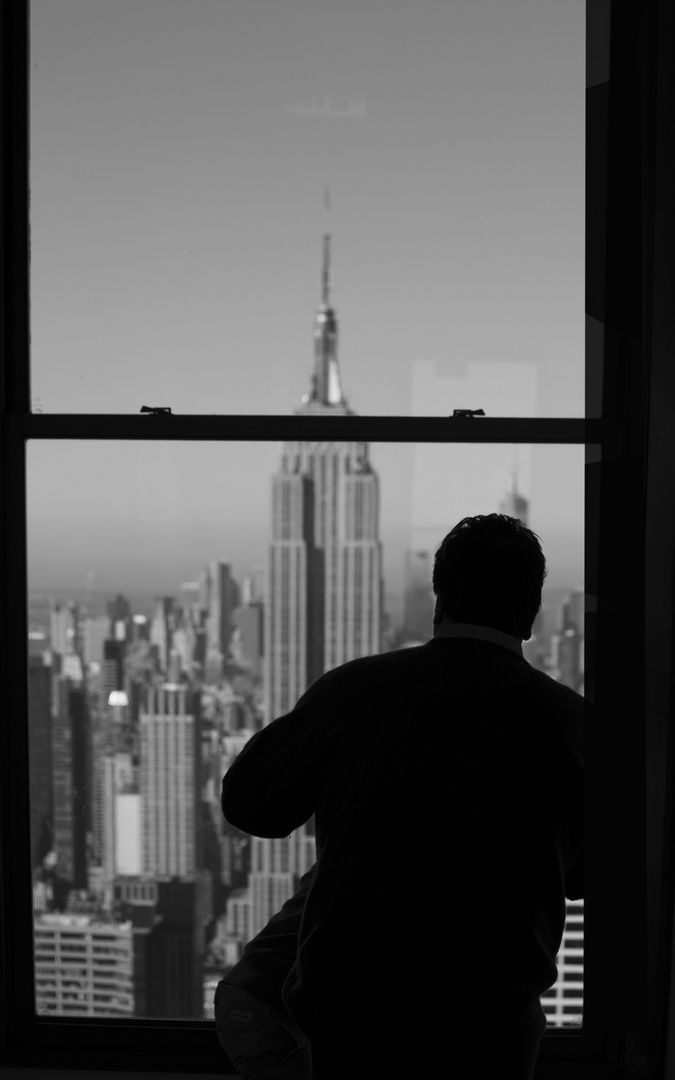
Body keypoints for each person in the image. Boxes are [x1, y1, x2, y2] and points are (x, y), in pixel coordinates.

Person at [217, 514, 585, 1079]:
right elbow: (588, 876)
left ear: (439, 598)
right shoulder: (572, 724)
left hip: (355, 1021)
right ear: (532, 611)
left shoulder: (354, 691)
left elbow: (250, 805)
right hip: (492, 1033)